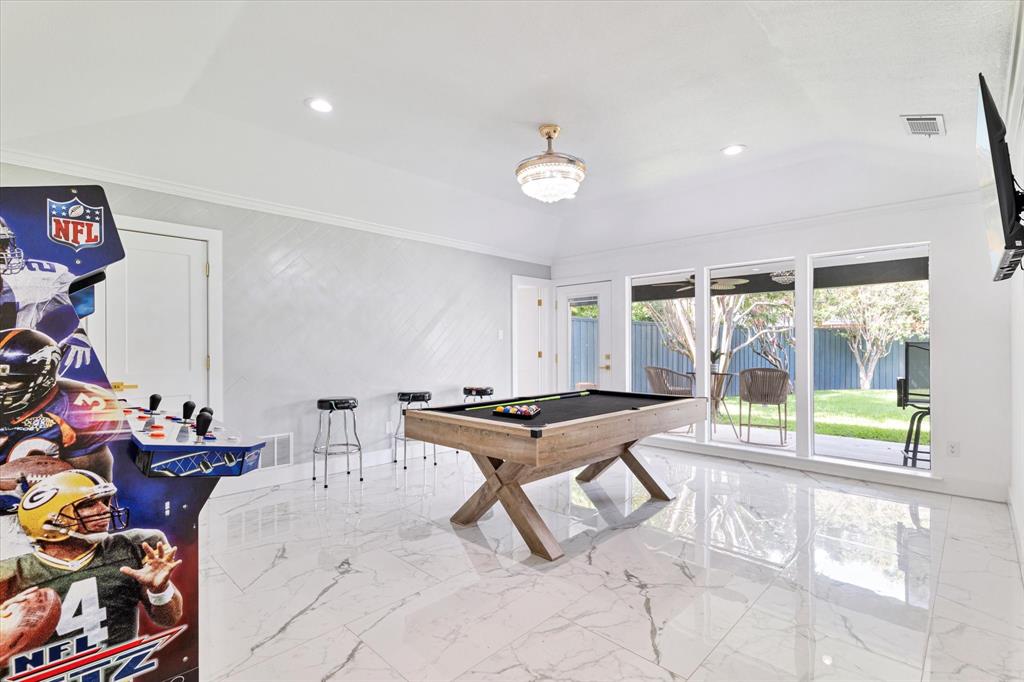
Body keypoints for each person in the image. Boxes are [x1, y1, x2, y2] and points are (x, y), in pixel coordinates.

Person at [0, 469, 183, 665]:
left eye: (104, 501)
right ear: (49, 520)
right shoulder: (10, 574)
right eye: (88, 504)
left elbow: (169, 618)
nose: (104, 510)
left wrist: (159, 590)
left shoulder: (135, 547)